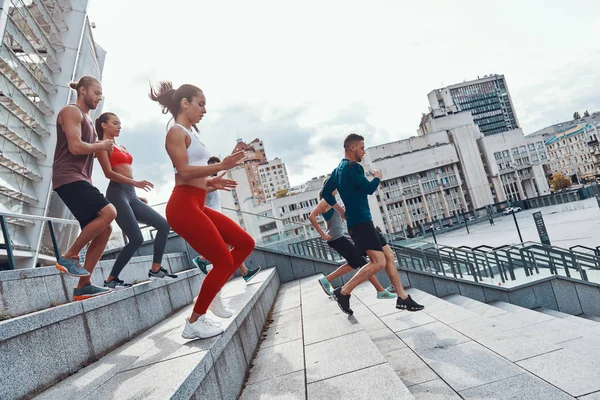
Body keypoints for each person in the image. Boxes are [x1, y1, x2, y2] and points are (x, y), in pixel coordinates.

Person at [150, 81, 255, 339]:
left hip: (196, 200)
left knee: (245, 242)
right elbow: (184, 172)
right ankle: (194, 322)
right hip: (183, 206)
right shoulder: (175, 133)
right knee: (223, 260)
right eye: (201, 104)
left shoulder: (190, 133)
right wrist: (221, 165)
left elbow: (193, 177)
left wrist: (211, 182)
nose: (204, 110)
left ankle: (214, 289)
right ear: (185, 103)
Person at [322, 133, 424, 315]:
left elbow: (326, 193)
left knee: (389, 255)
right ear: (352, 148)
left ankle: (402, 297)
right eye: (361, 147)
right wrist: (378, 176)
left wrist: (342, 211)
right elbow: (369, 189)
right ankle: (343, 291)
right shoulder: (353, 167)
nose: (363, 152)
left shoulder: (338, 170)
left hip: (361, 222)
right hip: (361, 223)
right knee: (378, 262)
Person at [52, 76, 116, 301]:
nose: (100, 97)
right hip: (67, 178)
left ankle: (83, 287)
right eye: (96, 93)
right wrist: (100, 145)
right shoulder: (71, 112)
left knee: (105, 229)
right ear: (82, 91)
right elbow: (76, 147)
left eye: (101, 94)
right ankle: (69, 256)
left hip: (80, 179)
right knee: (109, 213)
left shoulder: (87, 119)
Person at [95, 112, 175, 289]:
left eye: (120, 123)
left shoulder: (121, 146)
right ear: (103, 125)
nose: (119, 126)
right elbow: (108, 173)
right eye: (115, 123)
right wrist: (135, 183)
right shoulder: (101, 145)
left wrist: (135, 194)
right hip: (117, 194)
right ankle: (111, 280)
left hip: (129, 194)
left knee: (163, 226)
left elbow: (124, 170)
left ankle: (156, 269)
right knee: (136, 238)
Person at [308, 187, 395, 299]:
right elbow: (311, 216)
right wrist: (322, 234)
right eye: (335, 186)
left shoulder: (332, 202)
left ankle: (327, 279)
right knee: (363, 262)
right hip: (336, 238)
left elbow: (342, 219)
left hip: (338, 237)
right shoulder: (326, 200)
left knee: (354, 263)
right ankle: (380, 291)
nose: (338, 188)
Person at [192, 156, 261, 283]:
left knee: (230, 243)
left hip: (216, 215)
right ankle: (201, 259)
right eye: (213, 166)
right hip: (210, 216)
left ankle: (245, 272)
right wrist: (216, 186)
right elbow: (201, 191)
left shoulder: (214, 179)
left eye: (217, 165)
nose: (216, 169)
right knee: (228, 243)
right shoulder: (206, 180)